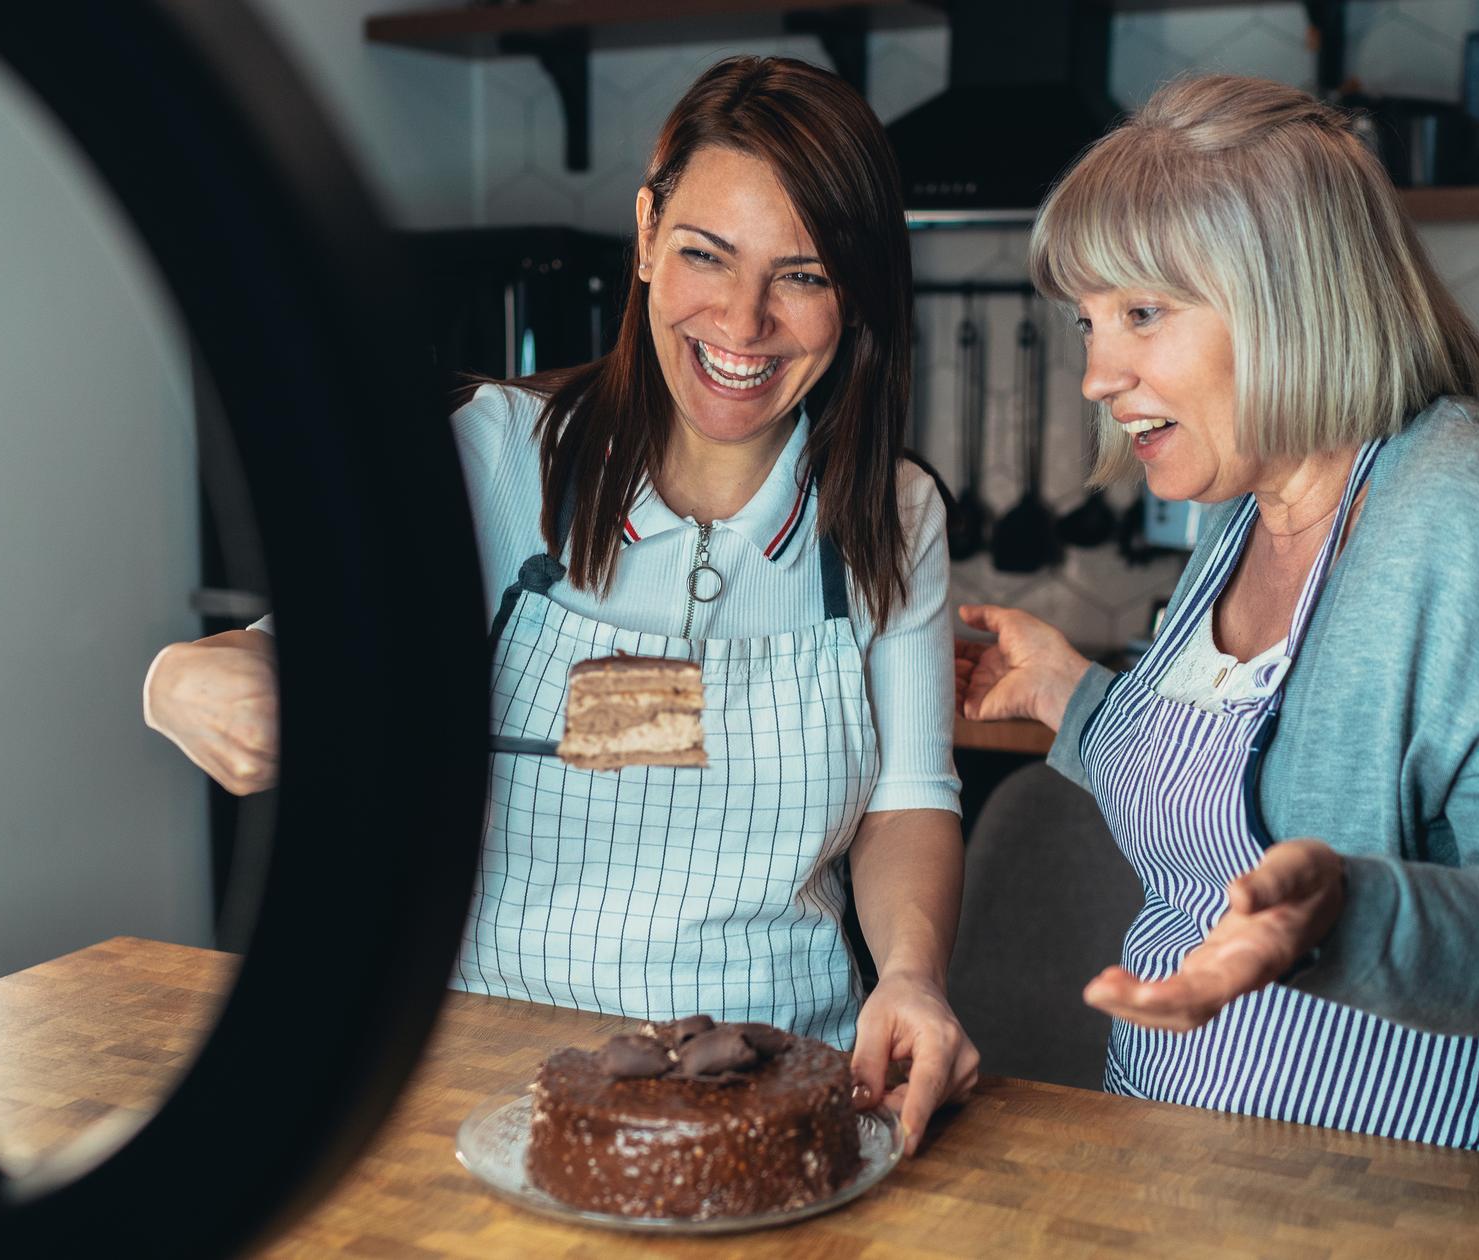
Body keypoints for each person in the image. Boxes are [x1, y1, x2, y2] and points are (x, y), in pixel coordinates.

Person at [147, 56, 976, 1152]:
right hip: (486, 1085)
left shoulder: (893, 514)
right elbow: (295, 659)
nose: (744, 321)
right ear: (645, 235)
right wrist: (183, 676)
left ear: (856, 292)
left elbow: (906, 800)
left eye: (804, 275)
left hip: (781, 1095)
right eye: (705, 254)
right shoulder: (496, 459)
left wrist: (912, 976)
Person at [956, 75, 1479, 1166]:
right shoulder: (1243, 509)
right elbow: (1228, 796)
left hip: (1421, 1191)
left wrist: (1350, 914)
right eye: (1087, 323)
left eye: (1143, 313)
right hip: (1177, 1166)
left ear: (1287, 298)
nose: (1097, 376)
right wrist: (1069, 697)